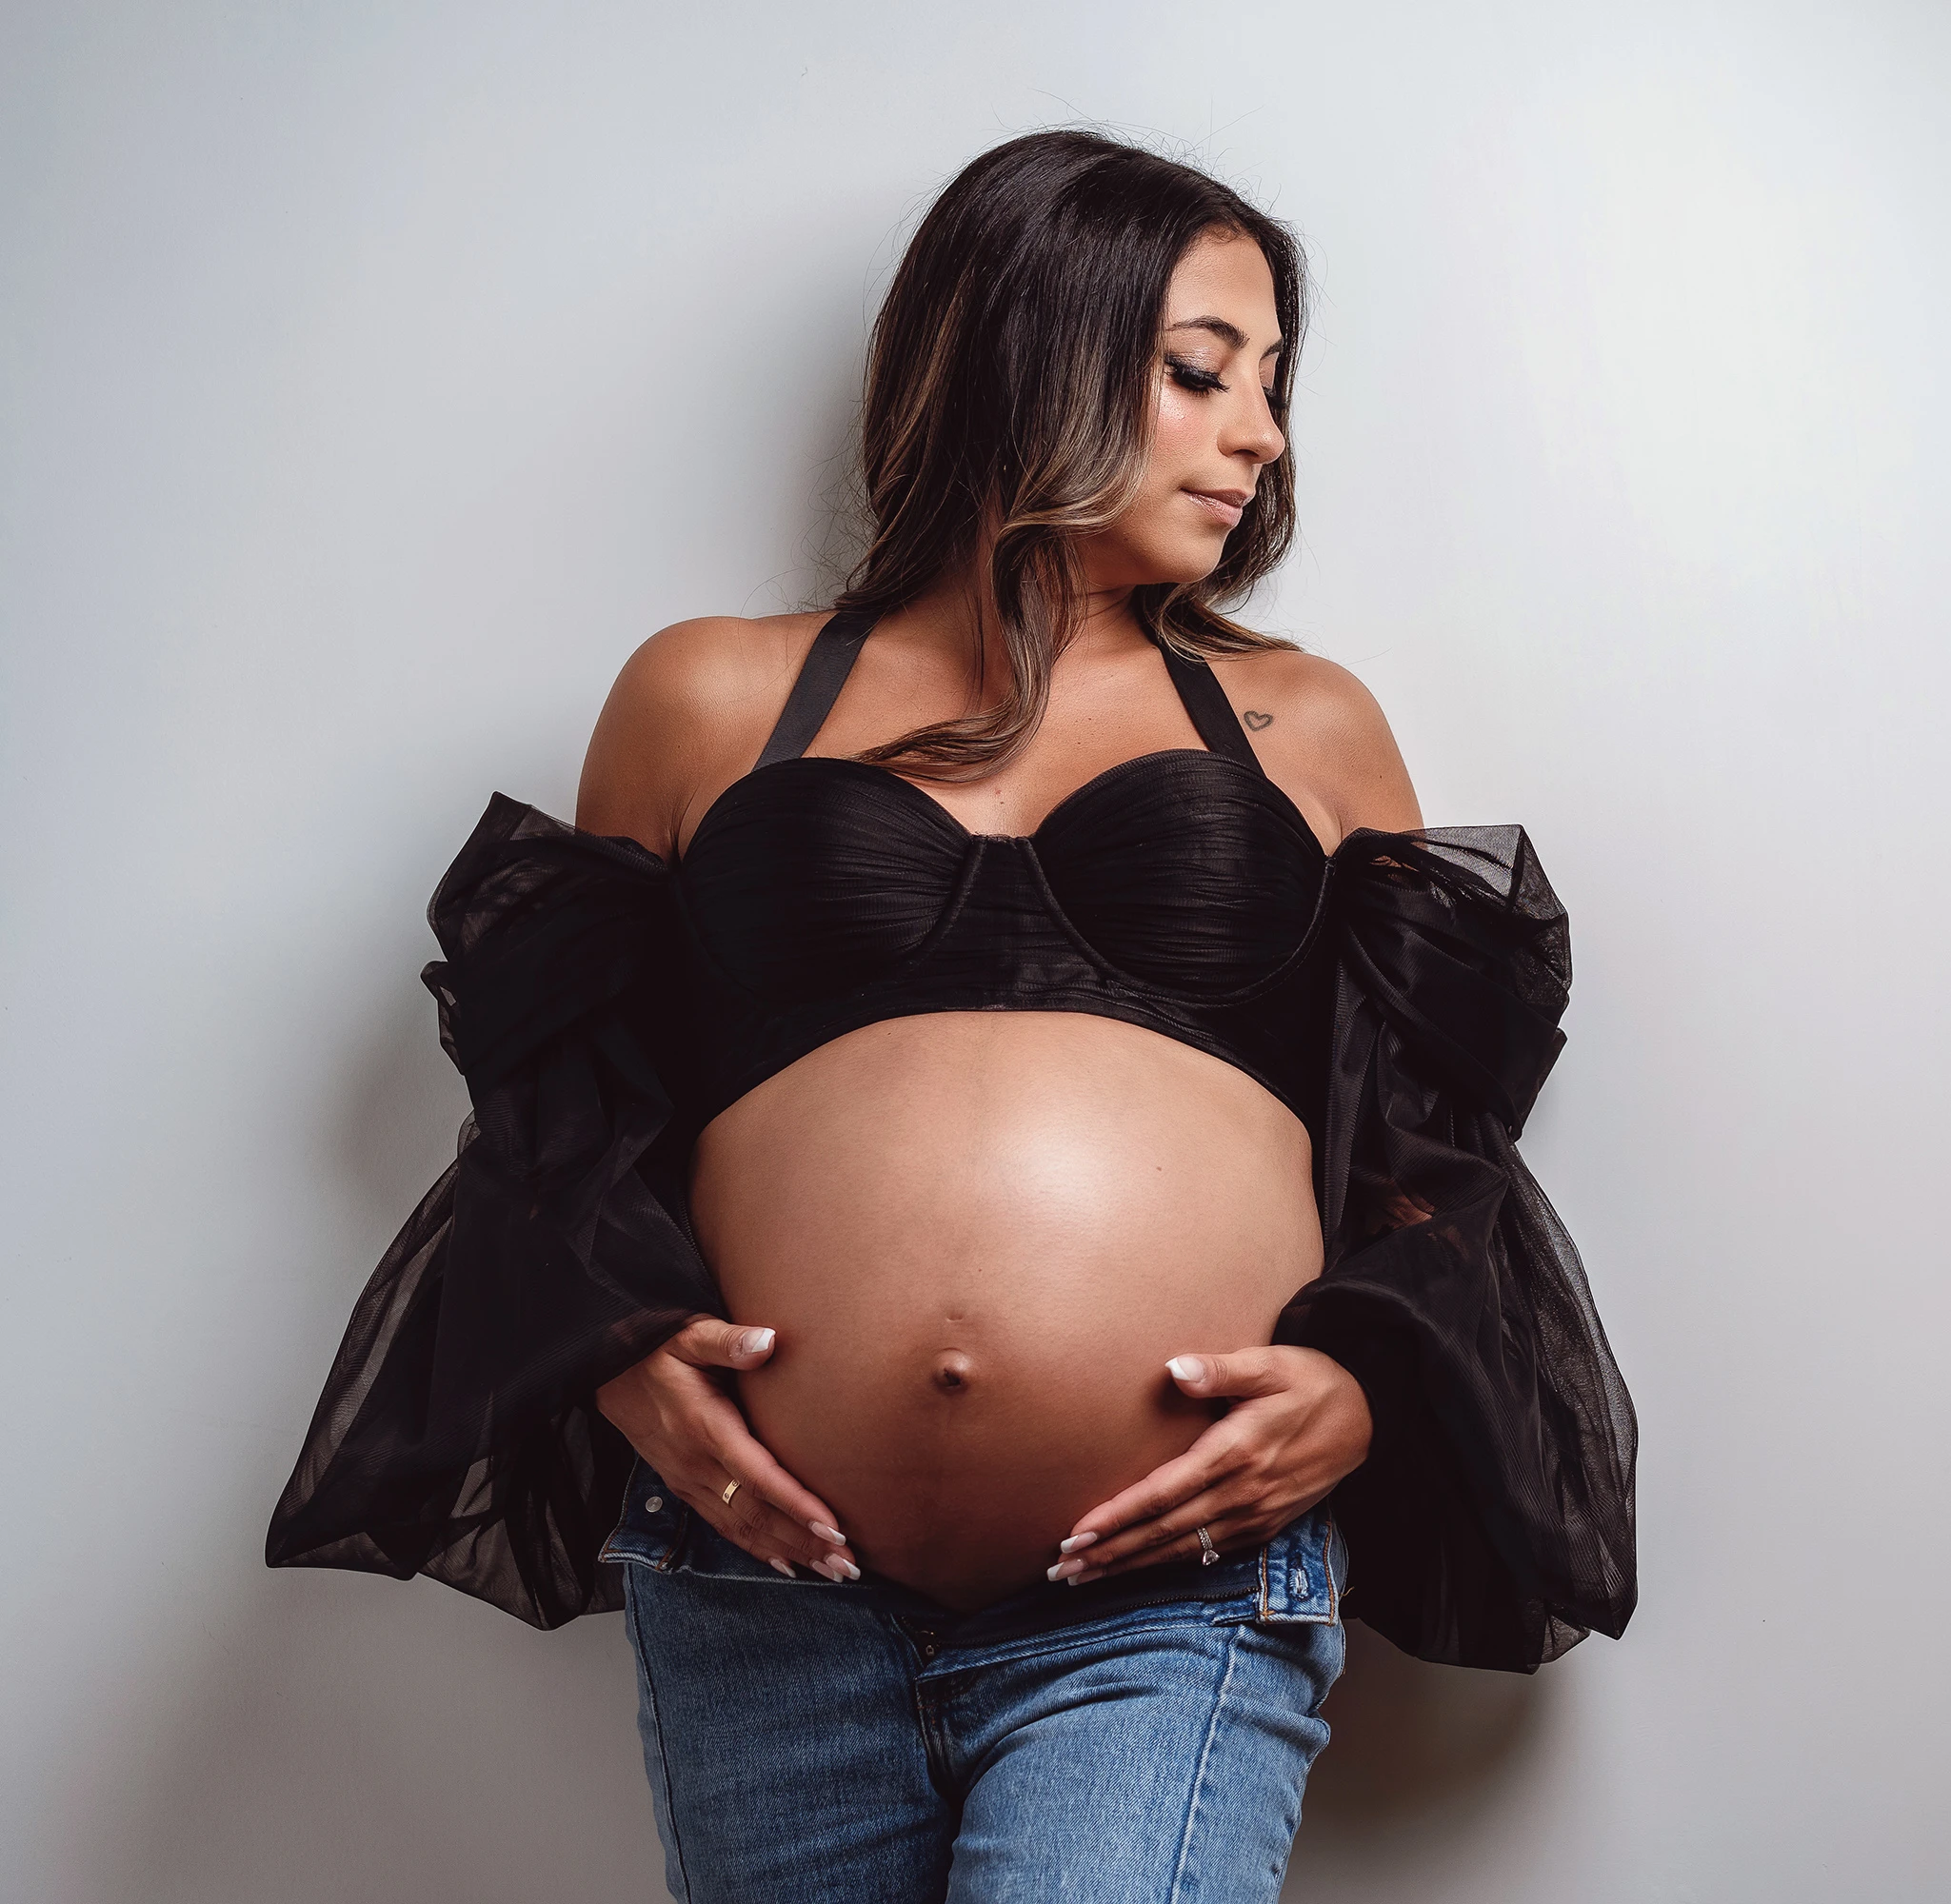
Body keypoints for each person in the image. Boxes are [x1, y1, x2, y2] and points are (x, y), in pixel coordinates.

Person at [266, 128, 1637, 1903]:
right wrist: (615, 1351)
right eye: (1200, 372)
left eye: (1273, 386)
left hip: (1169, 1596)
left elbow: (1434, 1146)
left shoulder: (1305, 725)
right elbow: (558, 1102)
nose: (1263, 436)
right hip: (767, 1592)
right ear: (1027, 349)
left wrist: (1371, 1382)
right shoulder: (711, 696)